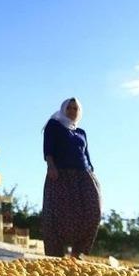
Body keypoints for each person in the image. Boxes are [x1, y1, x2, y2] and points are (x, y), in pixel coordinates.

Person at [41, 98, 102, 257]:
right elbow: (48, 147)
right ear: (63, 109)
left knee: (93, 210)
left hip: (83, 175)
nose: (72, 111)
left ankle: (78, 254)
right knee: (57, 214)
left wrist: (92, 173)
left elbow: (86, 155)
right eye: (69, 108)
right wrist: (50, 165)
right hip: (60, 174)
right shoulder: (54, 125)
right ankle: (56, 255)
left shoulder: (81, 132)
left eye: (76, 109)